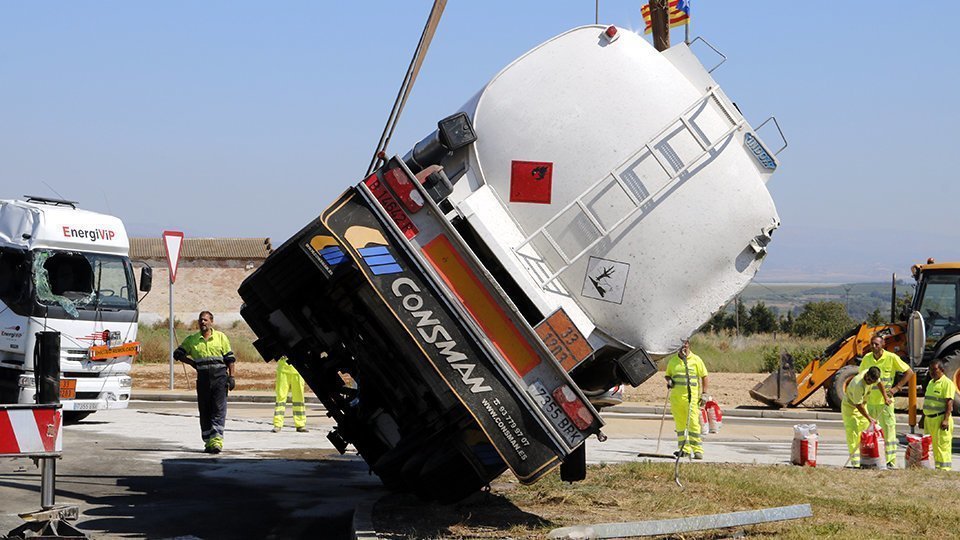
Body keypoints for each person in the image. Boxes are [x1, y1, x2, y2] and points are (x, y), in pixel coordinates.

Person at [174, 311, 236, 454]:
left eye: (206, 320)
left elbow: (230, 359)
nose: (203, 322)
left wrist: (232, 377)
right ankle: (208, 441)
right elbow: (177, 354)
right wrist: (191, 363)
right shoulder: (192, 340)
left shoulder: (221, 337)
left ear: (211, 321)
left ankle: (217, 441)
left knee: (218, 411)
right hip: (203, 381)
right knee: (205, 411)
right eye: (201, 320)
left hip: (220, 380)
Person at [858, 335, 914, 467]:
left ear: (883, 344)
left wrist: (897, 387)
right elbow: (861, 377)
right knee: (871, 432)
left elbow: (909, 372)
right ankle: (874, 459)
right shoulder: (867, 358)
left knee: (888, 432)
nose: (874, 347)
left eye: (877, 344)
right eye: (872, 344)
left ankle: (890, 460)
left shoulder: (891, 357)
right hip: (871, 402)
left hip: (885, 403)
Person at [664, 340, 708, 459]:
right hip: (677, 399)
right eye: (681, 344)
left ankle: (697, 450)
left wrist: (704, 393)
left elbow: (704, 376)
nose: (684, 346)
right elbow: (667, 374)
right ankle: (684, 449)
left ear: (689, 345)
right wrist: (669, 380)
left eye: (685, 344)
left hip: (692, 399)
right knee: (680, 425)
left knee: (693, 424)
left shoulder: (696, 360)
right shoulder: (673, 361)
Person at [841, 366, 885, 468]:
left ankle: (866, 460)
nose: (869, 382)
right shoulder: (858, 384)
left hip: (862, 406)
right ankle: (856, 463)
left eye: (872, 381)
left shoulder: (874, 375)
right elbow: (858, 405)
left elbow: (879, 384)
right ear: (867, 374)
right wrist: (869, 418)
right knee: (854, 434)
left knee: (866, 433)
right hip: (850, 407)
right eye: (869, 380)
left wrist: (885, 397)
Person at [922, 358, 956, 471]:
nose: (932, 372)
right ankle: (934, 467)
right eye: (930, 370)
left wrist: (945, 420)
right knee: (930, 446)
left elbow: (949, 403)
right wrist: (923, 418)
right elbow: (927, 402)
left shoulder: (947, 383)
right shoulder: (931, 383)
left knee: (942, 446)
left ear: (941, 370)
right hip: (929, 419)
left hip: (940, 419)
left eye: (934, 370)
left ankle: (944, 470)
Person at [272, 356, 308, 433]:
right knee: (281, 398)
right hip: (283, 370)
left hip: (298, 371)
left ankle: (300, 424)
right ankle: (277, 424)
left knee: (299, 398)